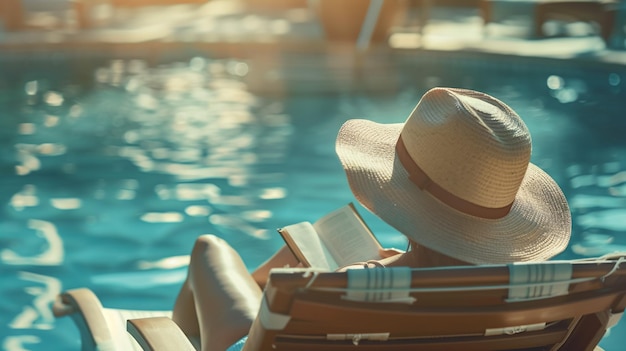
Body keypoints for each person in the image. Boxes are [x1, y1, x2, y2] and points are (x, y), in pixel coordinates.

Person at [171, 87, 572, 350]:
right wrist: (395, 261)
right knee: (272, 275)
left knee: (209, 248)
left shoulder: (351, 285)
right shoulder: (536, 307)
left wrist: (368, 269)